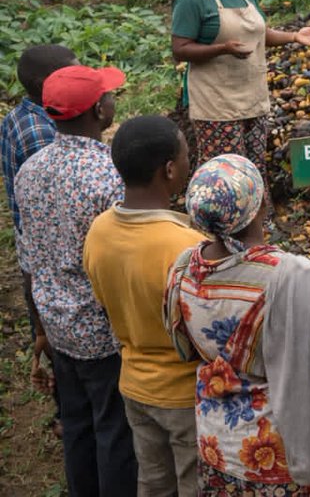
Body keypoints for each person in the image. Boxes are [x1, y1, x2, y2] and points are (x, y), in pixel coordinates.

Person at [164, 155, 310, 493]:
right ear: (259, 206)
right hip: (279, 450)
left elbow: (185, 348)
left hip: (217, 444)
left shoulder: (185, 268)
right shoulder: (292, 276)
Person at [13, 64, 137, 496]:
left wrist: (41, 327)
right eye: (108, 96)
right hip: (104, 333)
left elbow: (27, 258)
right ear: (100, 110)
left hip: (59, 325)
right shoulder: (109, 175)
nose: (111, 100)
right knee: (115, 430)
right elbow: (123, 263)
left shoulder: (29, 170)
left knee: (78, 424)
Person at [83, 116, 206, 497]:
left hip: (134, 385)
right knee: (193, 485)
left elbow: (105, 303)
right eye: (187, 156)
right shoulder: (187, 247)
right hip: (183, 395)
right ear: (169, 169)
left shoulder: (99, 230)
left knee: (152, 484)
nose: (190, 163)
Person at [170, 0, 310, 204]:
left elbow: (259, 34)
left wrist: (294, 36)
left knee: (254, 166)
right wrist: (222, 49)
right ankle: (223, 229)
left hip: (253, 96)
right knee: (226, 172)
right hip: (216, 102)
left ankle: (259, 227)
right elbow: (180, 49)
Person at [2, 43, 76, 434]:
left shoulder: (20, 117)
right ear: (49, 84)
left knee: (48, 324)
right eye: (73, 73)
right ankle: (69, 414)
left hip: (35, 245)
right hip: (49, 249)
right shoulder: (41, 135)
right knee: (55, 331)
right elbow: (57, 204)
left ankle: (68, 408)